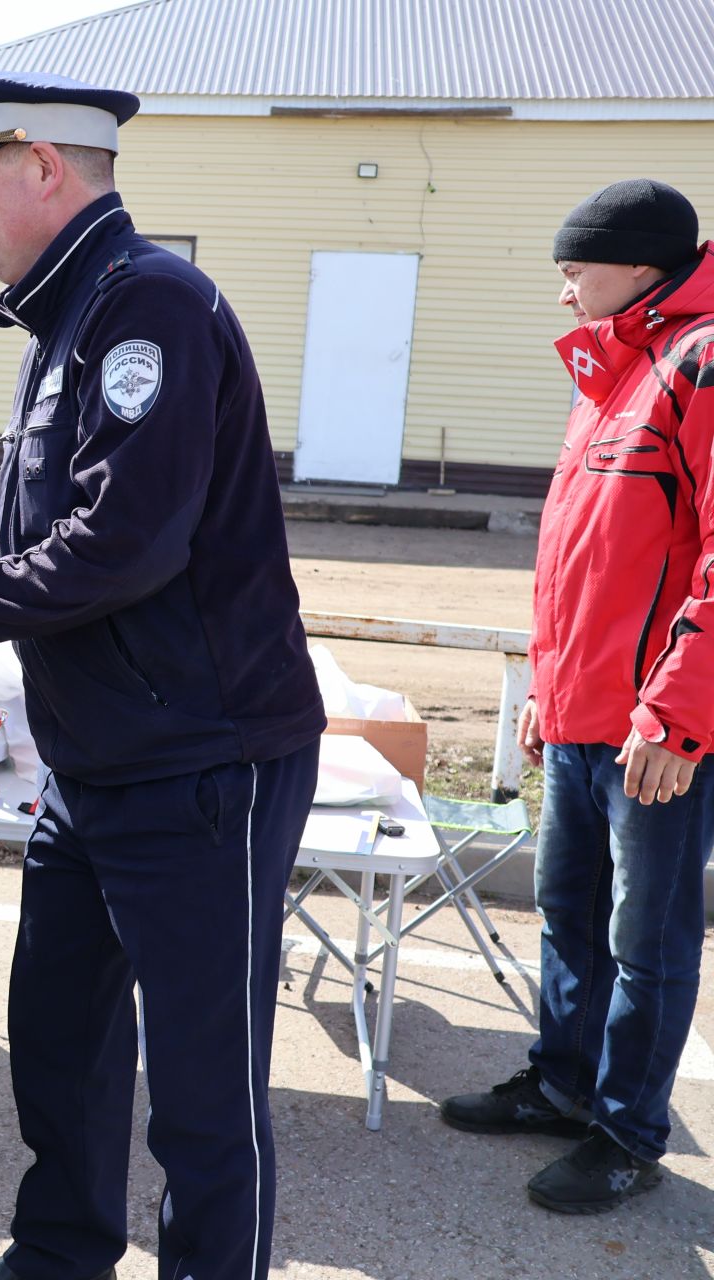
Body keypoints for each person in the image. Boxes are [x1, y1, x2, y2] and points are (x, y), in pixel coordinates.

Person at [0, 68, 326, 1280]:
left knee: (202, 1090)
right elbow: (49, 526)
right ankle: (58, 1253)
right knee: (59, 1034)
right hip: (95, 759)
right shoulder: (75, 312)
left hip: (200, 759)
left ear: (44, 165)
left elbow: (128, 540)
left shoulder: (145, 302)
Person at [441, 180, 714, 1213]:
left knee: (647, 943)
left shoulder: (702, 360)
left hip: (657, 731)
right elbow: (581, 560)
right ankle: (564, 1083)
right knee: (571, 911)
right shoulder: (610, 372)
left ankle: (628, 1130)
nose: (563, 294)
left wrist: (681, 716)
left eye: (573, 270)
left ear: (639, 264)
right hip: (581, 714)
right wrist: (547, 686)